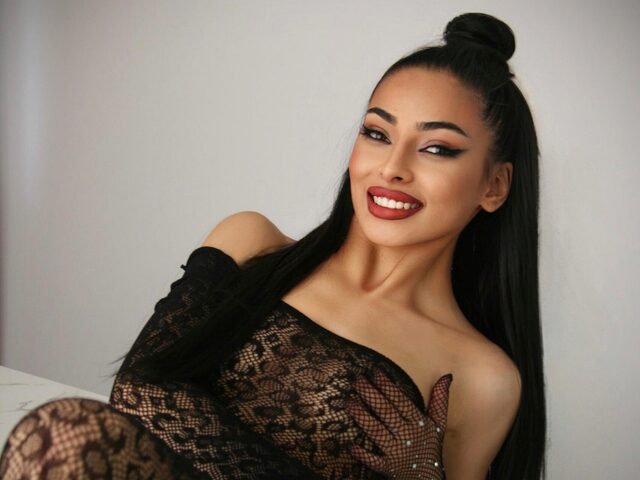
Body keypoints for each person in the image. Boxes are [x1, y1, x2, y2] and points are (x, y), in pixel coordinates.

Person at [0, 12, 546, 480]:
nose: (392, 168)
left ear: (495, 186)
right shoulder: (250, 244)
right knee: (61, 437)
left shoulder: (482, 376)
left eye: (437, 148)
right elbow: (141, 393)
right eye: (377, 134)